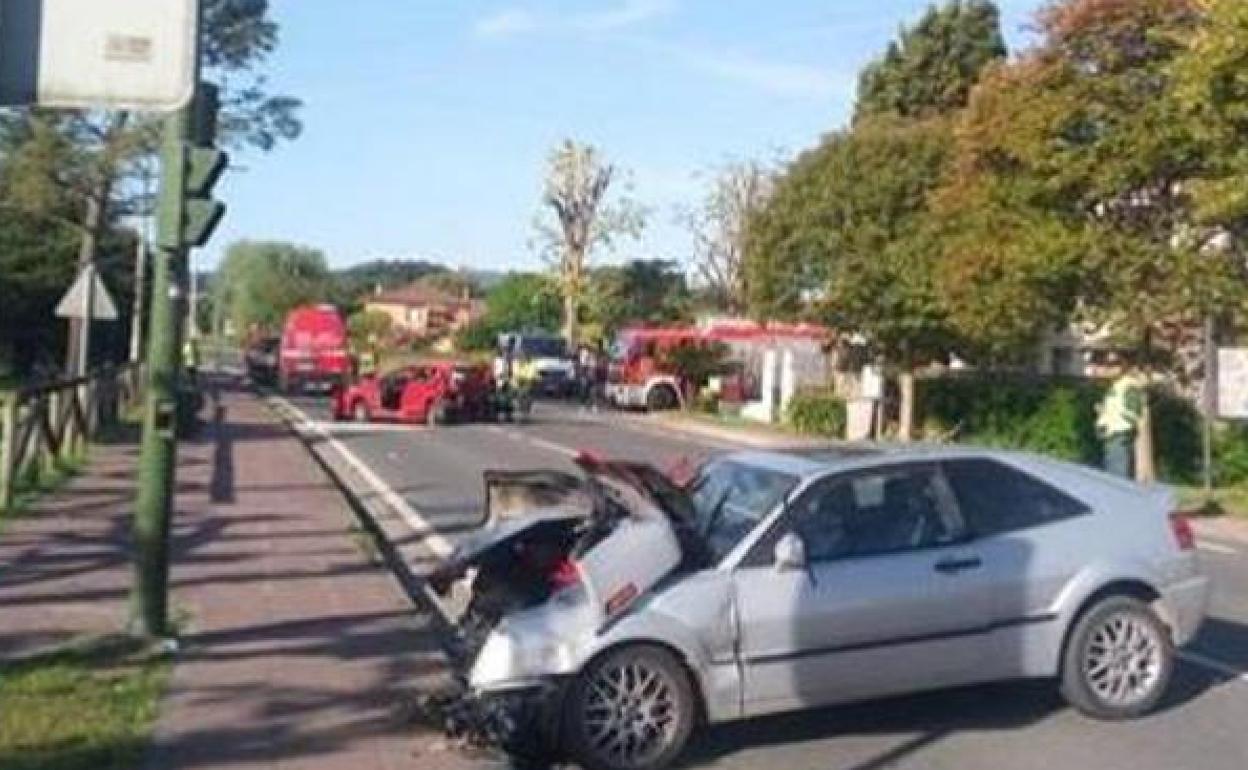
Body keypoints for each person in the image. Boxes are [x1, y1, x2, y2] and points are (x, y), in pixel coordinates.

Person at [1097, 368, 1146, 479]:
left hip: (1119, 434)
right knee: (1112, 471)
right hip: (1112, 434)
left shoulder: (1128, 387)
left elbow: (1133, 414)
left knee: (1117, 474)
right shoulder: (1118, 387)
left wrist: (1116, 415)